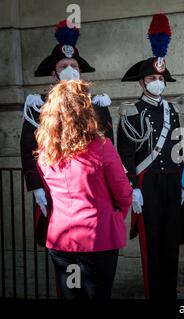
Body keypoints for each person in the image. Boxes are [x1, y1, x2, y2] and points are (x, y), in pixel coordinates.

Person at [35, 80, 132, 300]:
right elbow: (124, 195)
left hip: (62, 240)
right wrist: (113, 217)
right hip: (97, 239)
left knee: (73, 295)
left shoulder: (45, 152)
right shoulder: (103, 147)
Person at [20, 19, 114, 246]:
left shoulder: (98, 104)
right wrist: (35, 187)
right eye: (63, 67)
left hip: (91, 190)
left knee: (93, 247)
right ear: (54, 73)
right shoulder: (37, 105)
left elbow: (109, 148)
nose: (70, 70)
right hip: (54, 189)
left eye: (74, 66)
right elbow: (28, 147)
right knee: (62, 249)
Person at [117, 13, 184, 299]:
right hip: (147, 184)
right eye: (152, 78)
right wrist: (132, 188)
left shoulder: (173, 111)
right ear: (142, 83)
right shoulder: (132, 112)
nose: (157, 82)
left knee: (171, 243)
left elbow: (181, 149)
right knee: (151, 244)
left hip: (171, 183)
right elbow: (125, 154)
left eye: (160, 78)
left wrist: (182, 183)